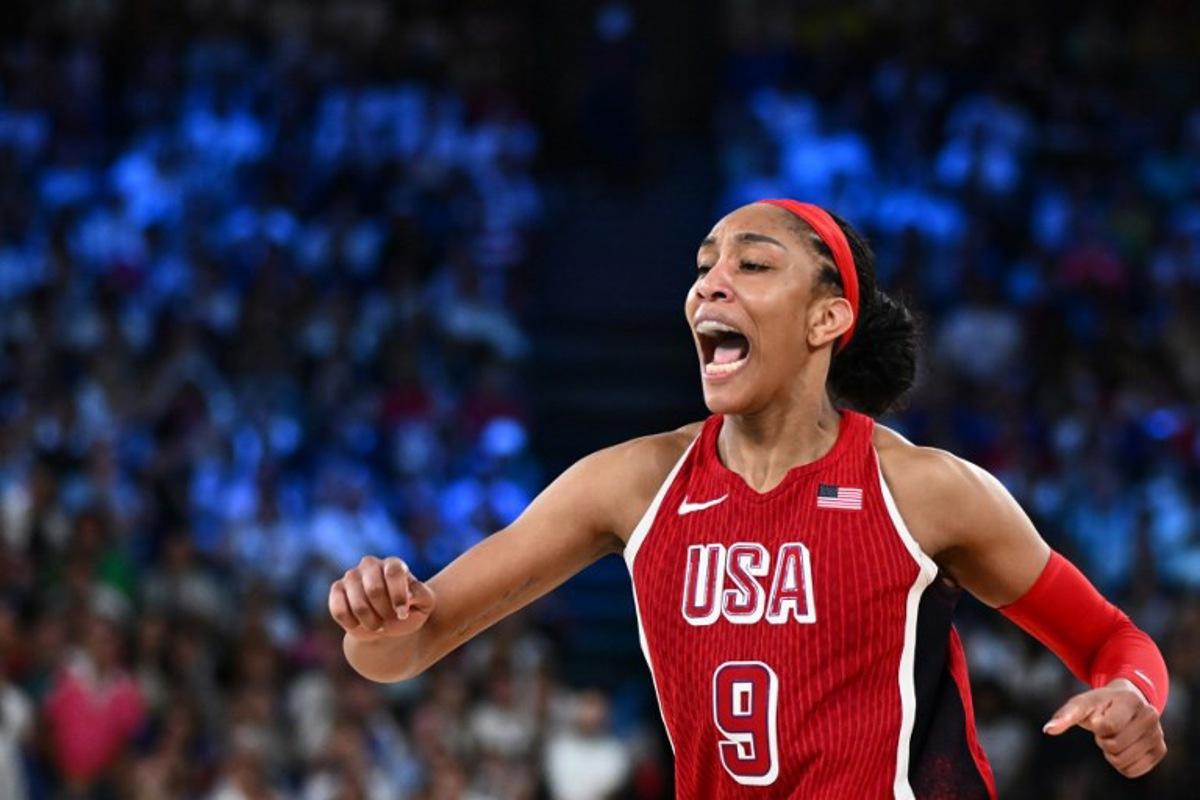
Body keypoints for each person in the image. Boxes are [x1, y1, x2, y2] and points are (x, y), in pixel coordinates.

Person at [329, 200, 1169, 798]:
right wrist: (377, 626)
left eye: (752, 264)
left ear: (827, 319)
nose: (710, 284)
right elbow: (407, 648)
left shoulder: (924, 490)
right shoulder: (632, 483)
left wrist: (1133, 694)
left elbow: (1111, 639)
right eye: (704, 268)